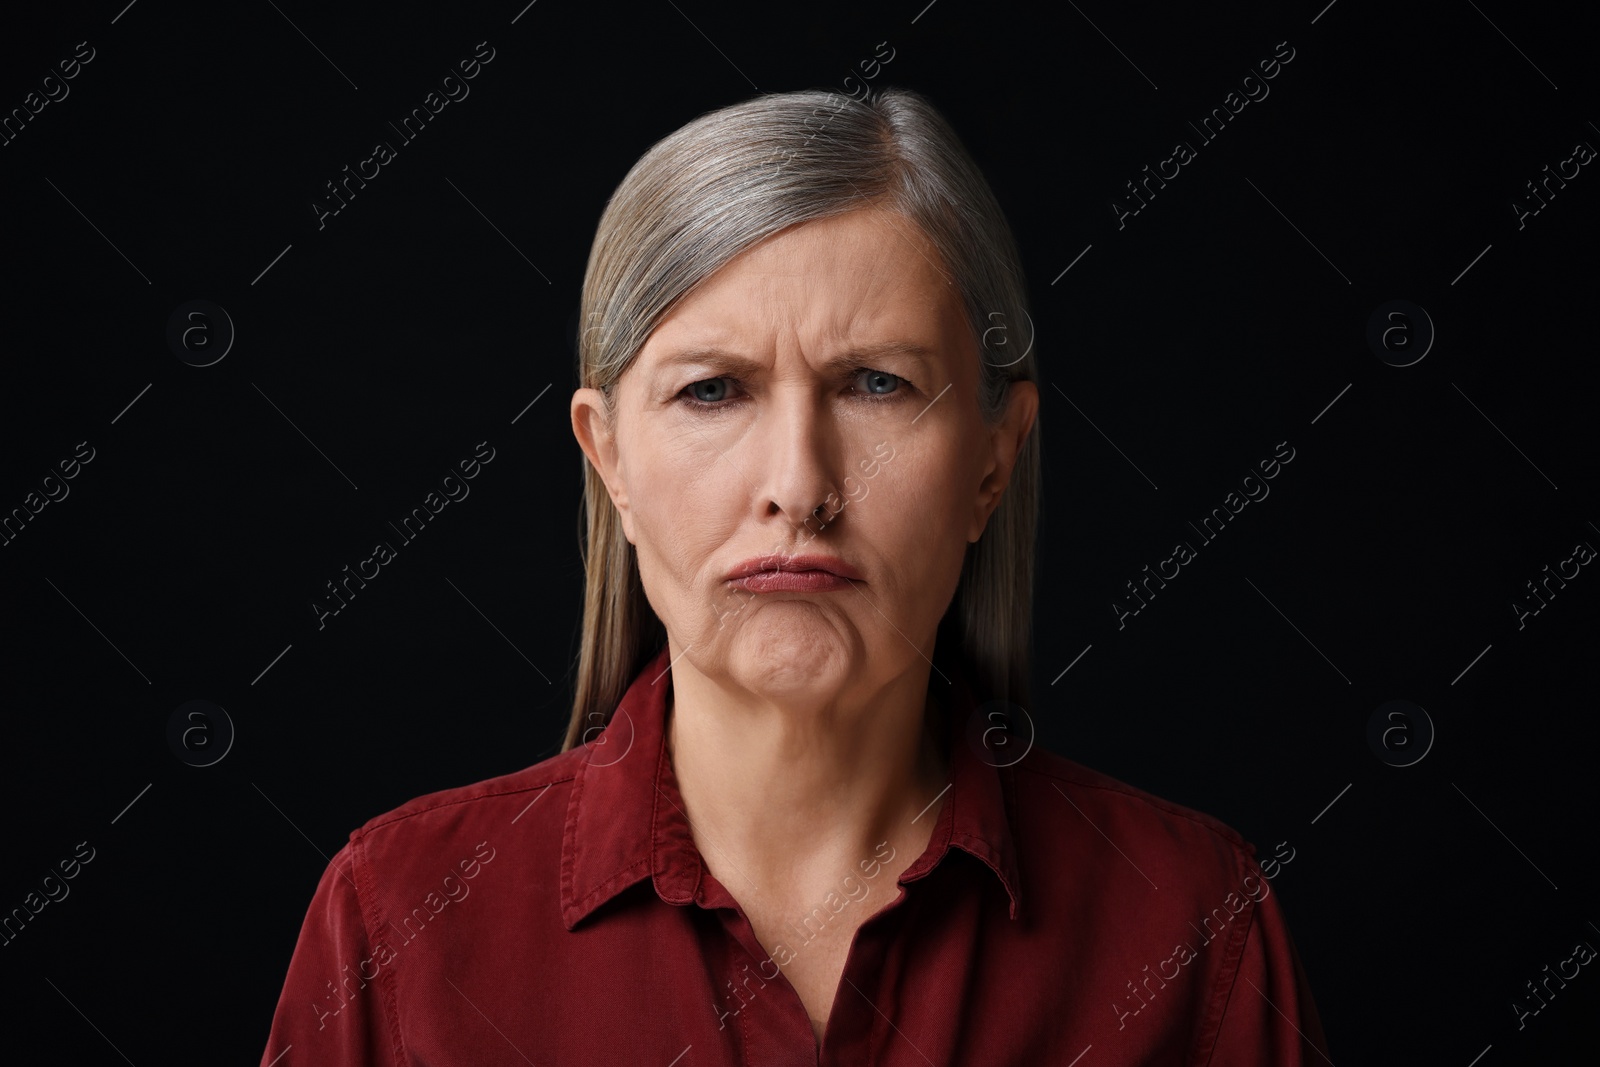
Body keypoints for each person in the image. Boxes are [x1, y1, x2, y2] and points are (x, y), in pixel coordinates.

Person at [259, 86, 1329, 1065]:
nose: (799, 485)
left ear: (992, 462)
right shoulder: (396, 920)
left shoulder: (1188, 922)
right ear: (609, 459)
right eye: (713, 391)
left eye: (875, 383)